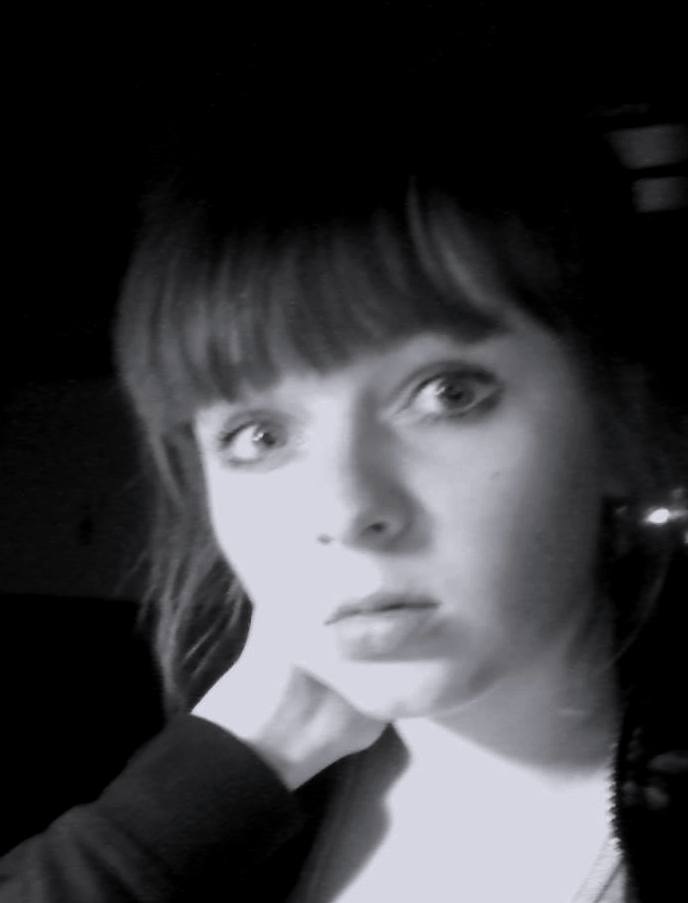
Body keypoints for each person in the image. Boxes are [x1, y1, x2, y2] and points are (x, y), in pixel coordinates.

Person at [1, 105, 686, 902]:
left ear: (619, 421)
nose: (343, 509)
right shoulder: (201, 795)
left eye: (447, 393)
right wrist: (225, 766)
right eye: (259, 435)